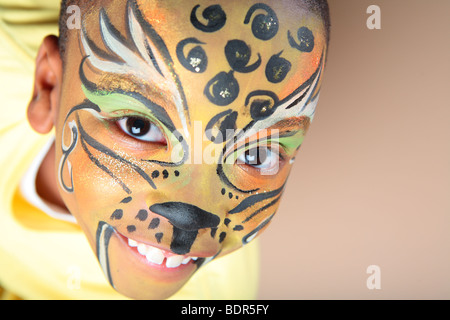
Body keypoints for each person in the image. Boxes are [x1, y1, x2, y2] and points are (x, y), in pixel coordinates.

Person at [0, 0, 330, 299]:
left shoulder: (213, 296)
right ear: (49, 87)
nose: (188, 220)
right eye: (139, 126)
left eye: (256, 154)